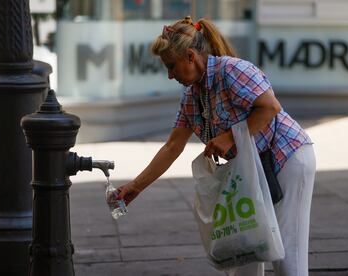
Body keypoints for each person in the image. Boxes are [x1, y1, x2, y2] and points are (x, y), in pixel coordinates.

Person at [117, 16, 316, 276]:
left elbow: (270, 107)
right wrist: (136, 186)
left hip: (286, 157)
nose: (169, 75)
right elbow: (172, 147)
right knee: (245, 250)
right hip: (252, 167)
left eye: (171, 66)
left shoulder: (232, 70)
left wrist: (231, 137)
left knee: (288, 257)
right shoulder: (192, 94)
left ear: (190, 56)